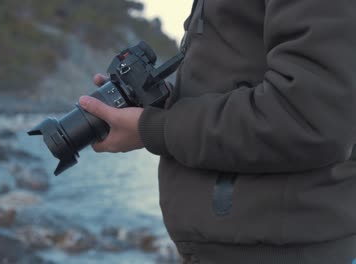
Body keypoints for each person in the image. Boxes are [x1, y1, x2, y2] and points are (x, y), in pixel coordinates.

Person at [79, 0, 356, 263]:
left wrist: (153, 127)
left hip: (277, 251)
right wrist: (159, 107)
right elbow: (239, 84)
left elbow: (308, 115)